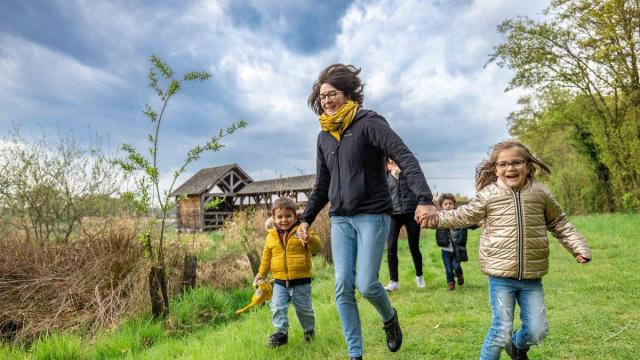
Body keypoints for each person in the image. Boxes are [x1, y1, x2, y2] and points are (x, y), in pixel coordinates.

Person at [297, 64, 436, 360]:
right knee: (342, 286)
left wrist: (424, 197)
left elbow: (404, 155)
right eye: (322, 97)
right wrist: (306, 218)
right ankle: (355, 354)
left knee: (366, 284)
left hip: (372, 215)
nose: (326, 101)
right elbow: (323, 184)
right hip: (340, 219)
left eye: (332, 94)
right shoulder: (323, 137)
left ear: (348, 93)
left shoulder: (369, 123)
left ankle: (389, 317)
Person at [419, 140, 591, 360]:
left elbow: (559, 222)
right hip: (500, 276)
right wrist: (434, 219)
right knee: (500, 330)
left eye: (516, 162)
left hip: (532, 277)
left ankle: (517, 345)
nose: (510, 168)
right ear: (496, 169)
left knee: (538, 331)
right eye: (503, 164)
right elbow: (462, 215)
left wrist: (578, 246)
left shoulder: (540, 193)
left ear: (528, 165)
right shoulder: (489, 194)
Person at [254, 197, 322, 347]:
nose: (284, 220)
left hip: (301, 281)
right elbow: (266, 257)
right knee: (277, 307)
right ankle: (281, 333)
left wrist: (309, 238)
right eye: (279, 217)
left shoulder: (302, 230)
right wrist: (261, 273)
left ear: (295, 216)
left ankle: (309, 331)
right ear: (273, 218)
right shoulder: (270, 236)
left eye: (288, 216)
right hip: (279, 282)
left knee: (304, 310)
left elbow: (318, 246)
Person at [384, 158, 425, 292]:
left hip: (410, 212)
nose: (392, 160)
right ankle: (393, 281)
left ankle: (419, 276)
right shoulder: (384, 173)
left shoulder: (408, 169)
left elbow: (418, 187)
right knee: (391, 247)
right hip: (393, 214)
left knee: (414, 247)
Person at [435, 193, 476, 291]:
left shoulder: (459, 217)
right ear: (441, 206)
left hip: (457, 247)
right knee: (448, 268)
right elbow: (431, 223)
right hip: (445, 248)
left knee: (456, 266)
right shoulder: (439, 218)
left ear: (454, 205)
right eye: (445, 204)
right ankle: (450, 282)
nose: (448, 205)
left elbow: (470, 223)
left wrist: (477, 221)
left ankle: (459, 274)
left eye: (450, 203)